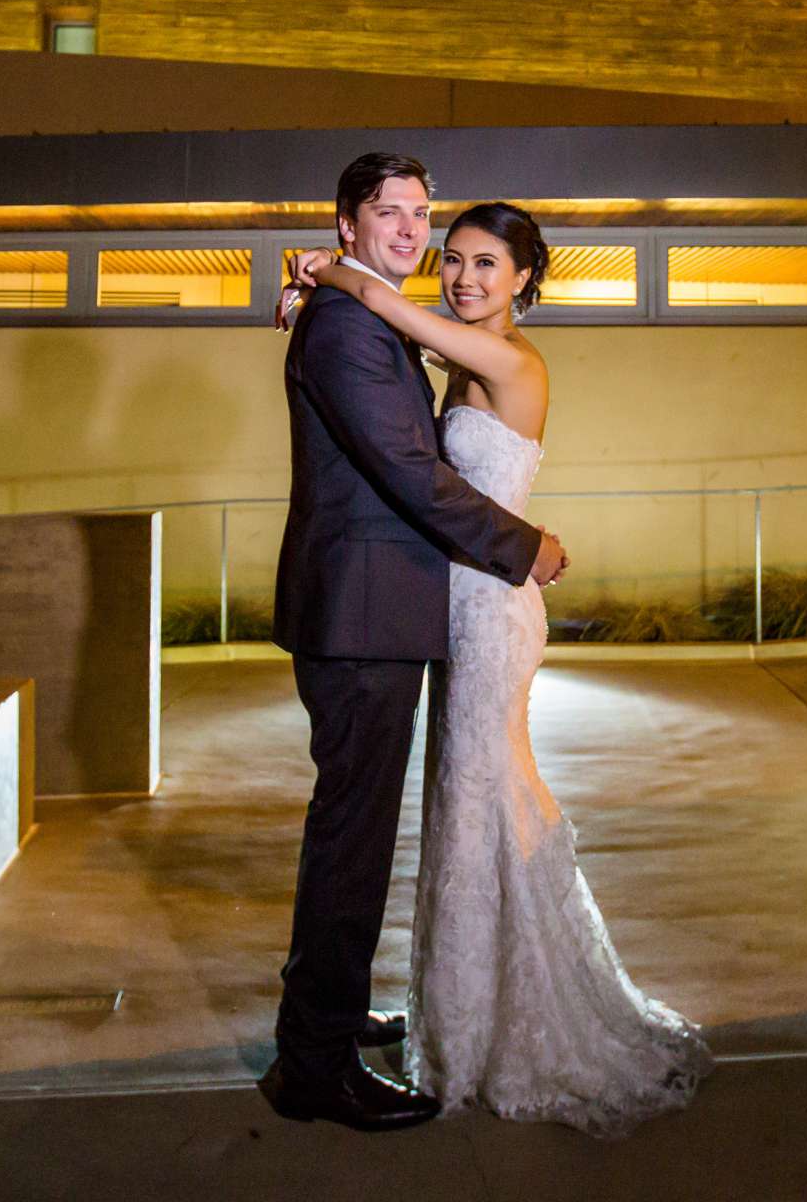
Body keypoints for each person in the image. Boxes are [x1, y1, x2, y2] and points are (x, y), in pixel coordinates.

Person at [287, 200, 711, 1140]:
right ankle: (458, 1009)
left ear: (526, 278)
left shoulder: (511, 361)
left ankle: (506, 1023)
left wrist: (332, 270)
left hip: (493, 603)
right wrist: (323, 275)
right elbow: (392, 355)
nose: (466, 278)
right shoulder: (458, 352)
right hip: (456, 604)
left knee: (485, 792)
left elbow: (395, 318)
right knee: (460, 800)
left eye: (488, 265)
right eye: (455, 261)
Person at [266, 152, 571, 1134]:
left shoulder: (380, 317)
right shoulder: (355, 326)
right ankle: (313, 1064)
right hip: (364, 616)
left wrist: (323, 269)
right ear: (348, 218)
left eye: (418, 215)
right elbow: (410, 471)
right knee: (352, 838)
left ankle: (335, 1015)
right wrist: (526, 546)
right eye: (385, 214)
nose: (409, 231)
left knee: (371, 828)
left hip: (395, 610)